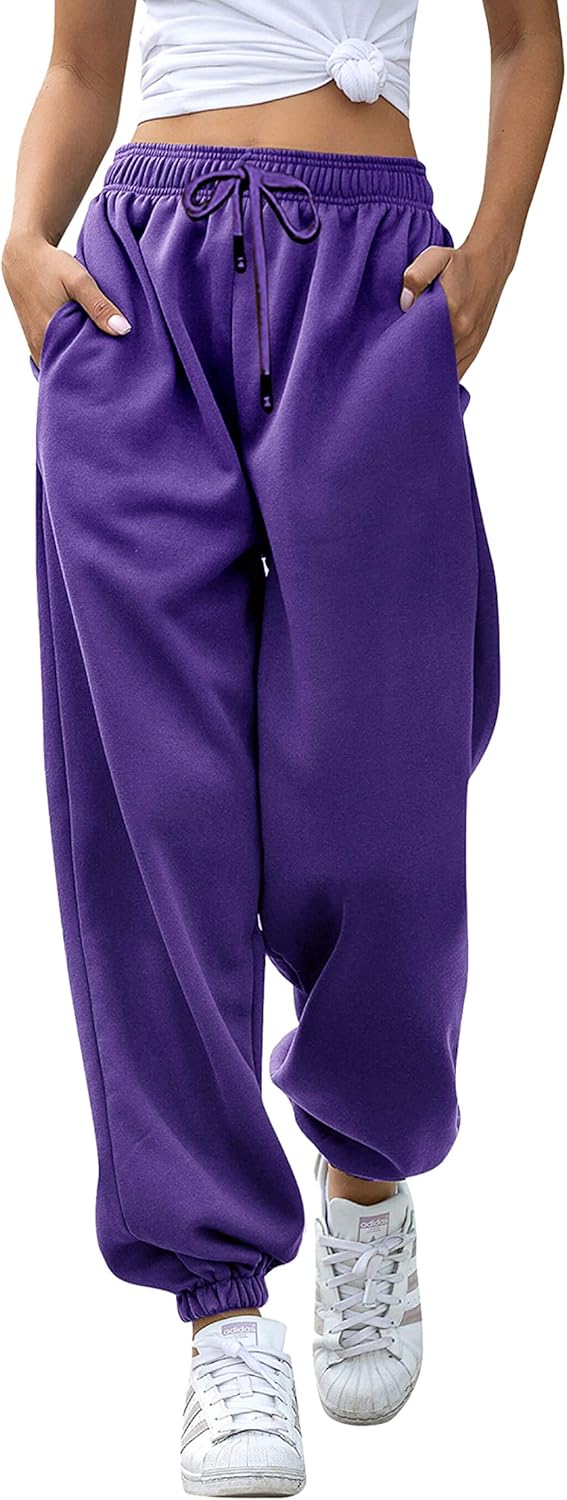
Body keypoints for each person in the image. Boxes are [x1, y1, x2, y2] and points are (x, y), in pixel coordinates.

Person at [3, 0, 563, 1494]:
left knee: (388, 779)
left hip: (369, 286)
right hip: (140, 288)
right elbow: (78, 67)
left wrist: (491, 258)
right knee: (152, 804)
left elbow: (529, 41)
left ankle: (366, 1165)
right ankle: (223, 1312)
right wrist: (24, 242)